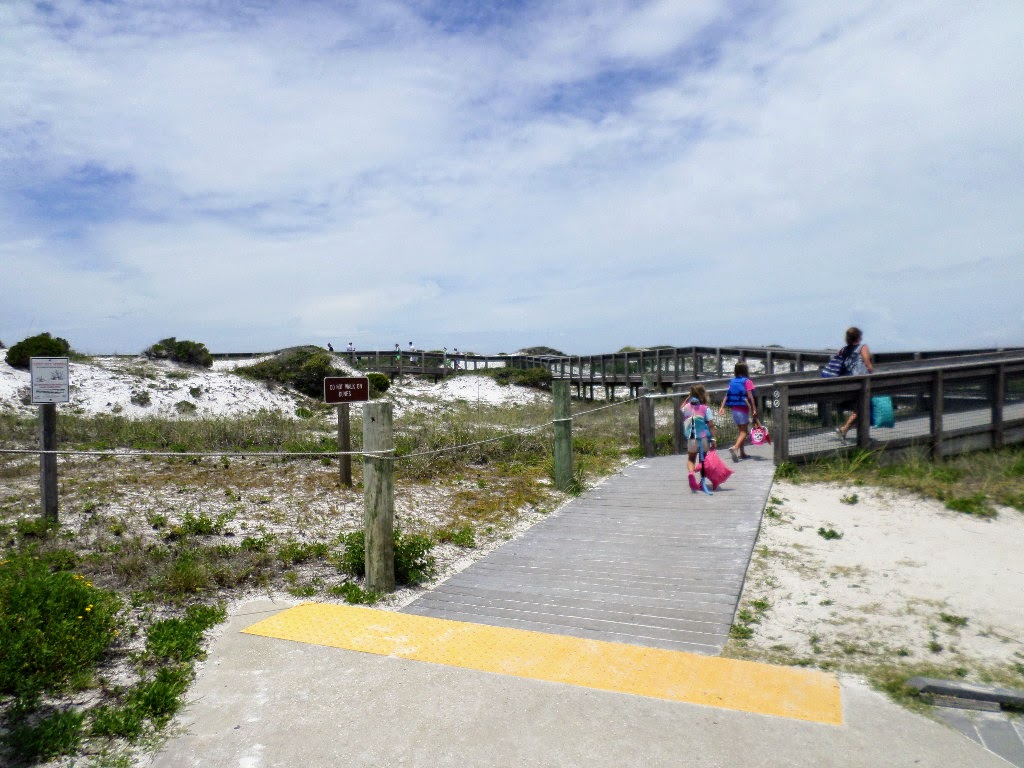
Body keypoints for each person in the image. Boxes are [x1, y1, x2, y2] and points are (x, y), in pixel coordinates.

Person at [837, 327, 874, 441]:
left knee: (859, 408)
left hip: (848, 383)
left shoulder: (844, 350)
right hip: (861, 382)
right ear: (858, 337)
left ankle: (856, 433)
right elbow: (868, 364)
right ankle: (846, 429)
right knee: (863, 408)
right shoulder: (862, 347)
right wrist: (872, 373)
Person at [681, 384, 717, 495]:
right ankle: (702, 481)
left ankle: (691, 472)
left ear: (691, 395)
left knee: (691, 459)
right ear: (703, 395)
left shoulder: (686, 407)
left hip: (692, 437)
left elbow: (681, 407)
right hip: (704, 437)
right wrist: (714, 438)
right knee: (704, 461)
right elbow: (711, 425)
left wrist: (688, 397)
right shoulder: (705, 409)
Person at [719, 361, 756, 462]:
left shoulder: (732, 381)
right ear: (745, 370)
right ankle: (735, 448)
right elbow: (750, 397)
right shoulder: (747, 381)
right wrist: (754, 409)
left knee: (740, 431)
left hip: (735, 410)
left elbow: (727, 395)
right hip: (743, 410)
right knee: (744, 432)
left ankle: (742, 453)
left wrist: (722, 407)